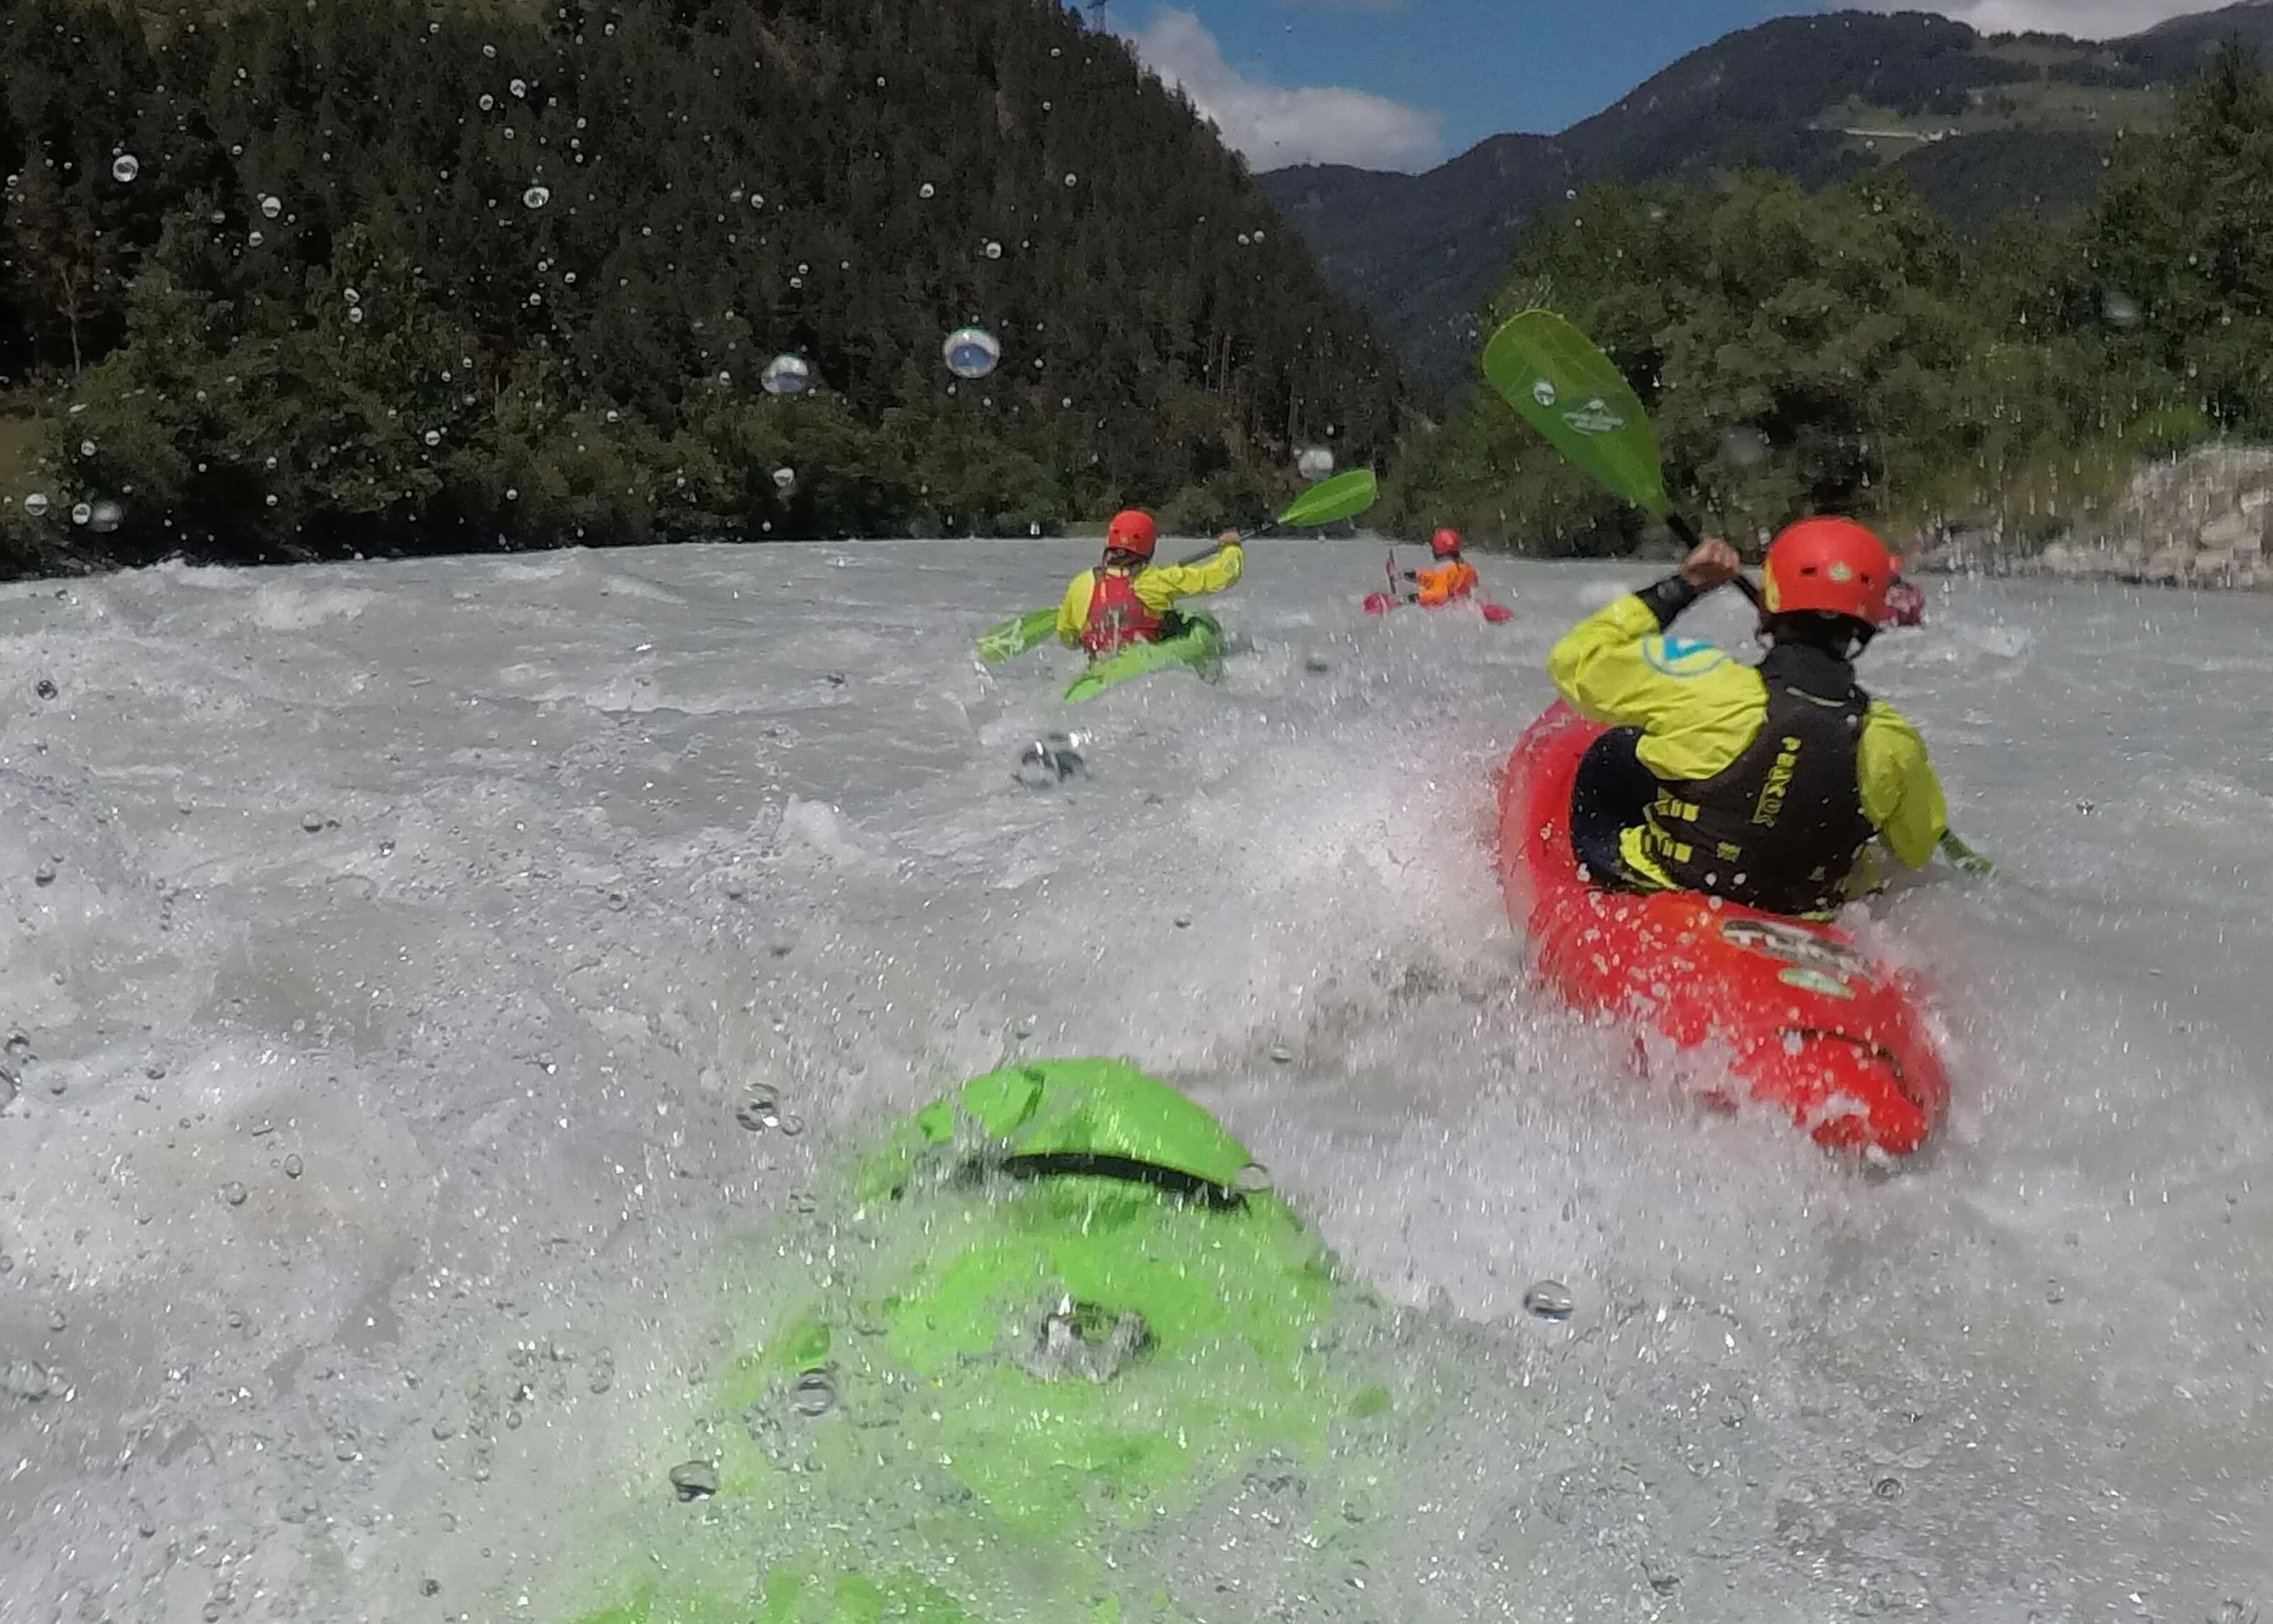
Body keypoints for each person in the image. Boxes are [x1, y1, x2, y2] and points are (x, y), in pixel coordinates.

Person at [1545, 516, 1948, 920]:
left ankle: (1603, 887)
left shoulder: (1703, 684)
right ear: (1871, 622)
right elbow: (1916, 848)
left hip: (1670, 881)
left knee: (1614, 751)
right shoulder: (1893, 739)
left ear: (1768, 604)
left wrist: (1684, 586)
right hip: (1803, 911)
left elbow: (1575, 658)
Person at [1056, 508, 1243, 657]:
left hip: (1100, 666)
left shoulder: (1080, 584)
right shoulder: (1156, 580)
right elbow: (1223, 576)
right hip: (1146, 664)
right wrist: (1231, 549)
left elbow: (1067, 637)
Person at [1400, 527, 1480, 608]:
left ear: (1437, 550)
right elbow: (1438, 578)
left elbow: (1439, 594)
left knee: (1423, 593)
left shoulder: (1447, 568)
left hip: (1444, 611)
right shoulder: (1467, 568)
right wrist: (1416, 575)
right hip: (1462, 607)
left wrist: (1413, 598)